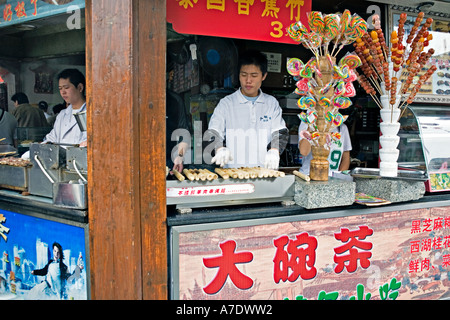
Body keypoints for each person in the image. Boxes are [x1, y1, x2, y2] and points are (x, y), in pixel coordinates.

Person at [207, 50, 288, 169]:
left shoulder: (271, 103)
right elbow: (214, 131)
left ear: (264, 76)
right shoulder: (226, 103)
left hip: (264, 172)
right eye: (244, 75)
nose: (248, 80)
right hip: (232, 172)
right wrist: (219, 148)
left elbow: (279, 132)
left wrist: (274, 150)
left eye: (254, 76)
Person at [43, 69, 87, 147]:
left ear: (80, 87)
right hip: (61, 158)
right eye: (60, 88)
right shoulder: (62, 115)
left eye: (66, 87)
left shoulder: (90, 113)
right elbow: (51, 138)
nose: (63, 92)